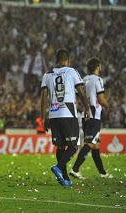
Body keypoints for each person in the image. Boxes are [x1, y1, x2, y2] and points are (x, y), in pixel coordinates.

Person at [40, 48, 91, 187]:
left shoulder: (47, 75)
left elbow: (43, 98)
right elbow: (81, 92)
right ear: (67, 60)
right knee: (74, 146)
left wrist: (44, 118)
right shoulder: (71, 71)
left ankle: (65, 178)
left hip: (54, 114)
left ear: (56, 60)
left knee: (61, 147)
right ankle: (58, 167)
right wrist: (87, 109)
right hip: (68, 113)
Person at [70, 57, 113, 179]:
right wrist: (108, 106)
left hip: (85, 114)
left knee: (95, 145)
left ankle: (103, 173)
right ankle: (75, 169)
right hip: (94, 114)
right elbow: (101, 98)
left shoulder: (84, 79)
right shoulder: (98, 80)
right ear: (98, 67)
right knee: (89, 143)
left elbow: (79, 95)